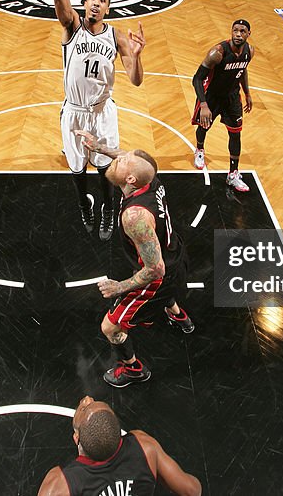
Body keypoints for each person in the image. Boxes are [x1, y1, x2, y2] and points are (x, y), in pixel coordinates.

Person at [75, 131, 193, 388]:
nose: (116, 159)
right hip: (176, 254)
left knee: (110, 327)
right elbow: (130, 159)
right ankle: (178, 315)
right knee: (166, 289)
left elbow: (155, 269)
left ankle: (133, 369)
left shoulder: (135, 217)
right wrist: (100, 148)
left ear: (129, 179)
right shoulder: (150, 179)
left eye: (120, 161)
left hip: (158, 275)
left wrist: (120, 287)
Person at [52, 0, 145, 241]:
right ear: (85, 3)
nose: (96, 2)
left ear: (108, 7)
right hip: (74, 111)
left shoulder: (117, 37)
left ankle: (107, 210)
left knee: (108, 170)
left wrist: (137, 55)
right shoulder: (72, 27)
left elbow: (134, 80)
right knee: (77, 168)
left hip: (103, 112)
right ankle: (83, 204)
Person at [36, 396, 202, 496]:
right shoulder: (144, 446)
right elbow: (192, 490)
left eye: (84, 408)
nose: (88, 399)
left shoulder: (60, 483)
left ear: (76, 438)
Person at [191, 20, 255, 192]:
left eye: (242, 31)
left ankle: (233, 173)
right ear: (231, 32)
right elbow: (196, 78)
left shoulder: (250, 51)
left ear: (249, 34)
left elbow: (242, 71)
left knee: (236, 134)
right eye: (235, 30)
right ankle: (199, 149)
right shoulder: (217, 53)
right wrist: (203, 104)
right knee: (204, 127)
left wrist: (247, 93)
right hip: (211, 97)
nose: (238, 34)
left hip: (232, 98)